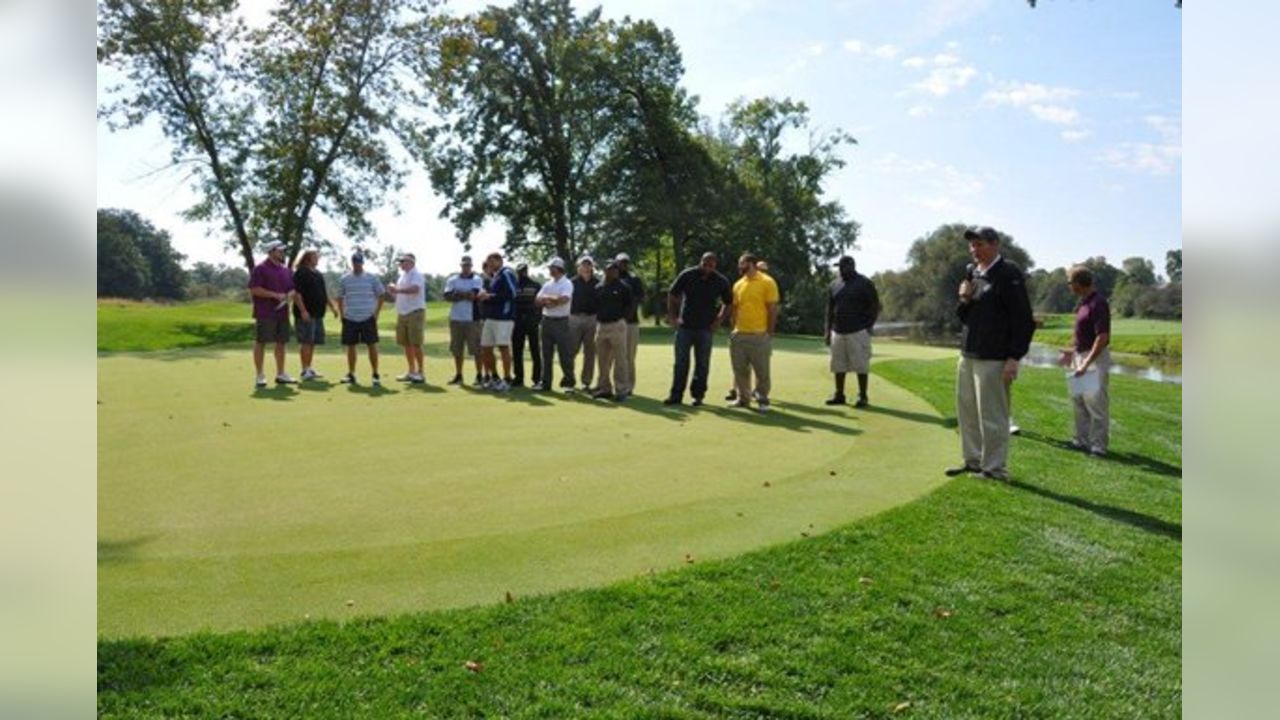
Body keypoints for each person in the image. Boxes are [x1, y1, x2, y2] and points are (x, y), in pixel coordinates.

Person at [946, 226, 1036, 481]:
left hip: (995, 358)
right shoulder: (974, 274)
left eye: (980, 244)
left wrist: (1014, 357)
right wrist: (964, 299)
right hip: (969, 354)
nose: (974, 249)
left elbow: (1023, 320)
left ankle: (995, 469)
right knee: (968, 413)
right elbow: (965, 317)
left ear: (995, 244)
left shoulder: (1008, 274)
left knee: (993, 416)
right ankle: (972, 461)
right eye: (972, 245)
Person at [663, 251, 732, 406]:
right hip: (685, 327)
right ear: (700, 262)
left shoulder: (720, 281)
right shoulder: (688, 275)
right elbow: (672, 294)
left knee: (702, 364)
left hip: (706, 329)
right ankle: (676, 395)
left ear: (715, 266)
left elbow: (728, 303)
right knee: (681, 363)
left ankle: (698, 396)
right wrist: (673, 317)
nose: (707, 268)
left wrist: (719, 320)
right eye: (705, 264)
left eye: (711, 265)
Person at [1060, 265, 1111, 457]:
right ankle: (1081, 441)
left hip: (1094, 358)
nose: (1069, 286)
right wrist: (1071, 352)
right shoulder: (1083, 303)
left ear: (1079, 283)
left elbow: (1102, 337)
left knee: (1095, 403)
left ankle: (1098, 446)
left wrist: (1086, 363)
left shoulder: (1098, 303)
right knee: (1079, 401)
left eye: (1070, 282)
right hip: (1080, 355)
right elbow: (1083, 335)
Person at [825, 255, 881, 408]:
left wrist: (868, 326)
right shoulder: (834, 285)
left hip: (858, 331)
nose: (840, 270)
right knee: (838, 365)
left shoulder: (864, 283)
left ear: (851, 266)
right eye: (839, 267)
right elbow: (830, 310)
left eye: (842, 267)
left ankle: (862, 396)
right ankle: (839, 394)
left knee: (861, 365)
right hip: (838, 330)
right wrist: (828, 331)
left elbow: (875, 306)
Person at [728, 253, 780, 412]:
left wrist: (769, 332)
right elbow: (735, 309)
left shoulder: (767, 282)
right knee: (740, 370)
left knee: (762, 371)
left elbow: (772, 309)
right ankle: (743, 399)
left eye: (741, 263)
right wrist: (733, 329)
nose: (739, 266)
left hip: (759, 334)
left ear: (750, 263)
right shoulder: (738, 284)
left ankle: (762, 400)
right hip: (739, 334)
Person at [248, 239, 297, 388]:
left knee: (281, 343)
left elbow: (292, 289)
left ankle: (281, 374)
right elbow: (254, 289)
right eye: (279, 250)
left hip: (282, 313)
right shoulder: (260, 269)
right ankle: (260, 375)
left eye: (283, 250)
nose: (282, 252)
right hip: (265, 312)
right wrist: (275, 295)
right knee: (261, 342)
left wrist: (289, 295)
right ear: (271, 252)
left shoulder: (286, 270)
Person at [336, 251, 386, 386]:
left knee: (372, 345)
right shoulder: (345, 279)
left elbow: (381, 294)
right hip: (350, 317)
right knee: (351, 346)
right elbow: (339, 297)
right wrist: (342, 314)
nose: (357, 265)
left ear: (363, 263)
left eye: (359, 262)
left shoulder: (371, 278)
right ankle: (351, 373)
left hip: (368, 317)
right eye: (355, 262)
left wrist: (376, 313)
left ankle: (375, 374)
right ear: (352, 263)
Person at [291, 248, 339, 382]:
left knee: (312, 342)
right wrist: (303, 310)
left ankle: (309, 368)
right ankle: (304, 370)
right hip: (306, 313)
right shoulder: (300, 273)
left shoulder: (318, 274)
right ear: (307, 258)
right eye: (315, 256)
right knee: (306, 341)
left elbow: (324, 293)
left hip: (318, 314)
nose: (318, 258)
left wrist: (333, 307)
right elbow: (296, 294)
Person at [476, 252, 518, 391]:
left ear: (499, 261)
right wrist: (485, 296)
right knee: (485, 348)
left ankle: (507, 379)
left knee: (503, 347)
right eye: (488, 263)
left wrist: (489, 296)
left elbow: (512, 294)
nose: (490, 265)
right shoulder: (495, 277)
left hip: (504, 318)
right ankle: (495, 377)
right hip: (491, 317)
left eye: (492, 262)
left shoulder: (506, 273)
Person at [592, 260, 633, 401]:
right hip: (601, 326)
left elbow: (630, 306)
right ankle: (605, 389)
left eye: (615, 269)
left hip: (617, 325)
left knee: (621, 360)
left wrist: (621, 319)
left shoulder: (623, 287)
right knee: (602, 360)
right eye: (610, 269)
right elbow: (595, 305)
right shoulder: (598, 287)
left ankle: (621, 390)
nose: (613, 271)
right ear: (605, 270)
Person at [535, 257, 575, 392]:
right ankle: (545, 383)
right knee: (546, 355)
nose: (550, 270)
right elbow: (537, 300)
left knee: (564, 354)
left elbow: (564, 299)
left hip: (561, 322)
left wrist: (548, 299)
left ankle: (569, 382)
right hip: (546, 321)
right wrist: (552, 300)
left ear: (559, 269)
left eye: (552, 268)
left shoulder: (567, 283)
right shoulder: (547, 284)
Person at [443, 255, 484, 385]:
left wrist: (458, 293)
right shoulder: (452, 279)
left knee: (476, 349)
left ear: (471, 266)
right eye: (464, 265)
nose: (466, 268)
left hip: (473, 318)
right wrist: (464, 294)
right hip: (455, 318)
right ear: (461, 266)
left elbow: (473, 296)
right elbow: (448, 296)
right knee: (457, 349)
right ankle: (459, 375)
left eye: (468, 265)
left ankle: (479, 375)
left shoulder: (477, 279)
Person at [386, 252, 426, 384]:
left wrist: (396, 290)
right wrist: (392, 292)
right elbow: (398, 296)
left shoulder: (417, 275)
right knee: (406, 344)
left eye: (403, 261)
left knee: (416, 344)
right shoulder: (402, 277)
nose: (401, 263)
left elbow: (415, 289)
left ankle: (420, 372)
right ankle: (411, 371)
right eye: (401, 261)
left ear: (411, 262)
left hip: (415, 312)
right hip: (402, 313)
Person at [567, 256, 600, 393]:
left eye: (588, 265)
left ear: (592, 267)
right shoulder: (571, 283)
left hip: (592, 319)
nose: (586, 267)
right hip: (574, 318)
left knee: (590, 352)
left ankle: (586, 383)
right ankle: (569, 381)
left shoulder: (598, 283)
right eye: (583, 265)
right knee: (571, 351)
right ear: (578, 267)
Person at [616, 253, 646, 393]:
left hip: (630, 322)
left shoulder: (634, 280)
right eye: (621, 262)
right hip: (611, 323)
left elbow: (639, 299)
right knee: (610, 357)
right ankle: (611, 385)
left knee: (629, 356)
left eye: (626, 262)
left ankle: (628, 386)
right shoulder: (610, 279)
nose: (623, 265)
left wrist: (626, 314)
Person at [511, 262, 543, 387]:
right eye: (519, 272)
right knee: (517, 351)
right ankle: (518, 378)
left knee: (535, 350)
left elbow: (539, 305)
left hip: (532, 321)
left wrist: (537, 319)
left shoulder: (536, 285)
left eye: (523, 271)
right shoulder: (513, 286)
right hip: (517, 321)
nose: (521, 273)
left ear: (526, 271)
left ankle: (536, 378)